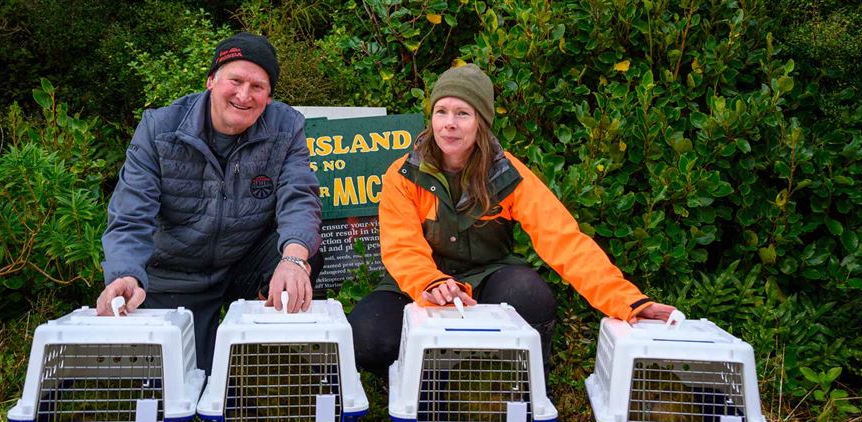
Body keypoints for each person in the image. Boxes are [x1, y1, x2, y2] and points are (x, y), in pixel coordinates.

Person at [348, 64, 676, 376]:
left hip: (487, 279)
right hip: (417, 285)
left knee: (529, 294)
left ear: (481, 123)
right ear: (431, 118)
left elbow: (564, 240)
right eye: (441, 112)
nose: (449, 123)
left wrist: (627, 301)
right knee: (369, 336)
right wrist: (431, 285)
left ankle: (530, 392)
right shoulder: (402, 175)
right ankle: (428, 391)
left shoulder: (508, 175)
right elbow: (401, 248)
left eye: (463, 114)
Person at [97, 32, 322, 373]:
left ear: (269, 95)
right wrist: (126, 272)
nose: (244, 95)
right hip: (176, 270)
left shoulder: (286, 126)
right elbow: (131, 214)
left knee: (305, 255)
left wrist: (293, 259)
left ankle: (266, 354)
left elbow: (300, 196)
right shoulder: (159, 128)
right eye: (235, 80)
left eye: (258, 87)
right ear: (211, 80)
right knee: (186, 381)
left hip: (243, 262)